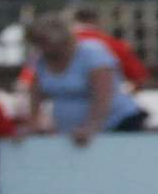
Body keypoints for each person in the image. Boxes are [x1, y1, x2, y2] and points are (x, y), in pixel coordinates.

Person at [24, 13, 145, 147]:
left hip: (115, 125)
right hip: (71, 132)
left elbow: (103, 95)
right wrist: (32, 122)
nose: (40, 48)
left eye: (43, 42)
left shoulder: (92, 53)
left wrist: (91, 127)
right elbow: (35, 93)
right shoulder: (42, 60)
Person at [16, 6, 149, 94]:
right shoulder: (114, 45)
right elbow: (139, 81)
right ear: (96, 21)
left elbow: (25, 84)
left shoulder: (47, 46)